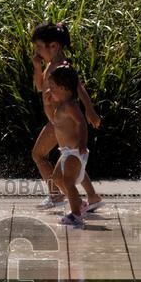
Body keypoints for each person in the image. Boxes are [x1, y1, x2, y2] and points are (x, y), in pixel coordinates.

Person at [30, 22, 104, 213]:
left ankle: (57, 195)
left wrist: (89, 109)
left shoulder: (62, 67)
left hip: (61, 120)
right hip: (56, 119)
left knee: (39, 154)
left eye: (39, 47)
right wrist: (37, 67)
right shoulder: (50, 65)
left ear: (54, 46)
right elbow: (39, 87)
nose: (37, 51)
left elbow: (80, 89)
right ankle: (92, 196)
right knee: (71, 157)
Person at [47, 65, 89, 228]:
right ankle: (79, 203)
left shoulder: (71, 105)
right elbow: (54, 122)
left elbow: (82, 123)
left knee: (68, 182)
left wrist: (83, 142)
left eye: (52, 88)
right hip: (65, 152)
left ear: (63, 88)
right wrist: (48, 105)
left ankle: (76, 215)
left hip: (74, 152)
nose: (50, 90)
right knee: (57, 178)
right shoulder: (61, 106)